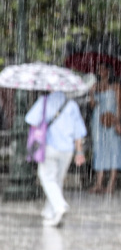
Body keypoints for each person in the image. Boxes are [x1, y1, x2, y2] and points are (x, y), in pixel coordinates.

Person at [25, 91, 87, 227]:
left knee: (46, 177)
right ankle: (50, 212)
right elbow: (79, 132)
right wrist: (79, 152)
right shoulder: (72, 105)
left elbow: (31, 120)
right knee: (57, 180)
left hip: (49, 147)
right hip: (68, 150)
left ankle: (60, 206)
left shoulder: (44, 101)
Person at [88, 63, 121, 193]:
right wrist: (92, 93)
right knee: (99, 148)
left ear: (108, 71)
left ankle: (111, 183)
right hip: (98, 120)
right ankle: (99, 183)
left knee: (114, 148)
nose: (100, 71)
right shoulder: (95, 87)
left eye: (102, 69)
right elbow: (92, 105)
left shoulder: (116, 86)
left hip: (112, 119)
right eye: (98, 70)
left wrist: (118, 122)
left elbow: (119, 106)